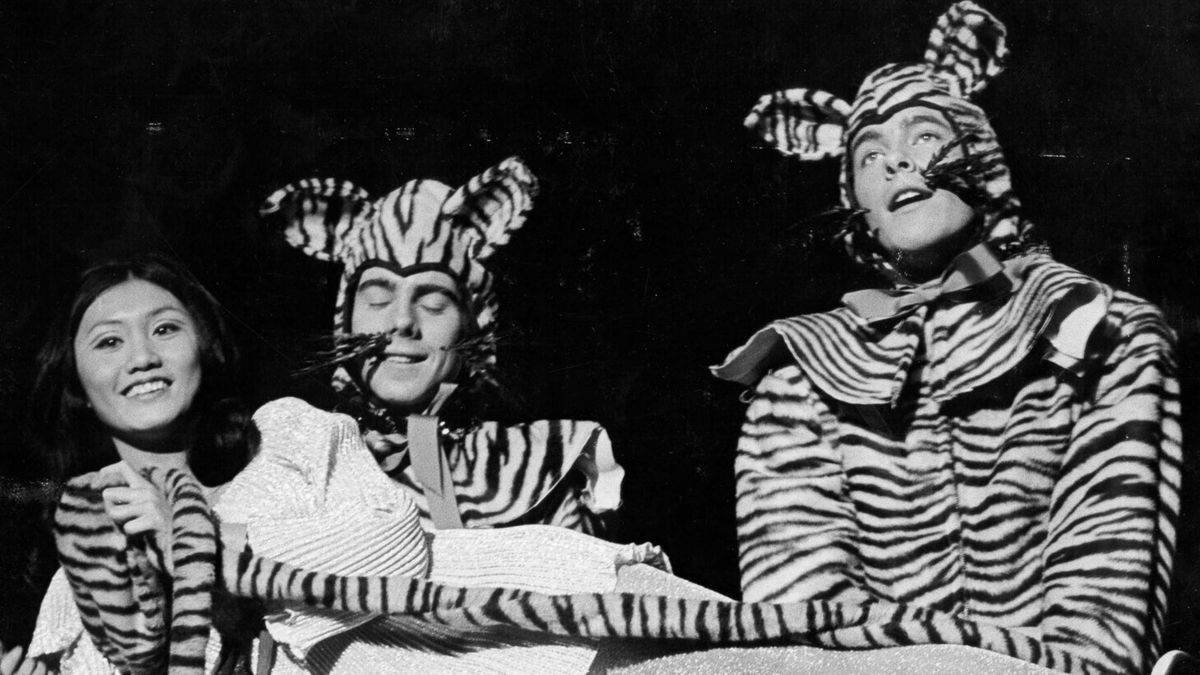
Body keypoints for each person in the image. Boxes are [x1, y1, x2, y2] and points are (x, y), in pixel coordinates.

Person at [713, 3, 1181, 674]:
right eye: (869, 155)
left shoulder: (1101, 330)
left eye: (924, 134)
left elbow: (1099, 632)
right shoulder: (798, 381)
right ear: (857, 209)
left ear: (980, 152)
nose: (897, 162)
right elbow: (798, 637)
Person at [259, 156, 623, 534]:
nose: (402, 320)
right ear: (345, 316)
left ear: (473, 323)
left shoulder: (534, 474)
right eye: (377, 299)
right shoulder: (294, 464)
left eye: (433, 303)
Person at [17, 254, 263, 673]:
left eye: (164, 329)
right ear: (77, 382)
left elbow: (377, 556)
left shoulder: (287, 443)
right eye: (109, 342)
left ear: (204, 347)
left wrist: (185, 536)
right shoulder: (78, 580)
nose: (143, 358)